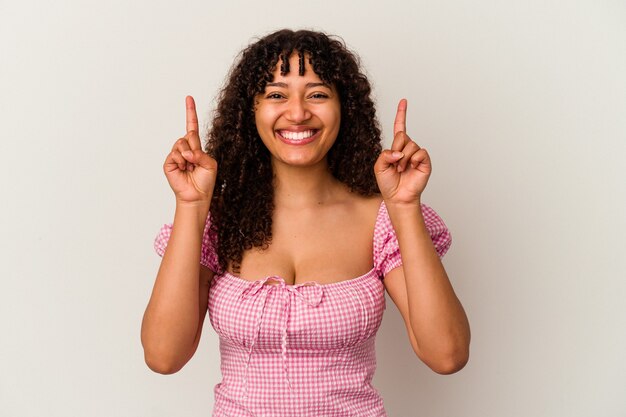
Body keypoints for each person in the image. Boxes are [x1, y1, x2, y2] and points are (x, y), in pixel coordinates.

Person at [141, 29, 470, 416]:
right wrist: (192, 205)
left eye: (317, 94)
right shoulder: (218, 218)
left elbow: (447, 354)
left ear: (343, 107)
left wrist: (405, 206)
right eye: (277, 94)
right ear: (251, 110)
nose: (297, 113)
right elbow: (164, 356)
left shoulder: (382, 218)